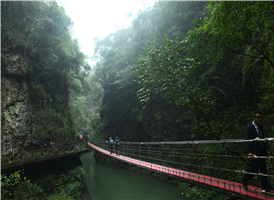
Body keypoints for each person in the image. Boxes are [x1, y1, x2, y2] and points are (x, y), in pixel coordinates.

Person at [242, 111, 270, 192]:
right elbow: (247, 140)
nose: (260, 119)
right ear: (253, 118)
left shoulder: (261, 128)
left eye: (261, 117)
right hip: (253, 152)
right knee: (254, 170)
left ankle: (265, 187)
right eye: (258, 117)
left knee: (263, 170)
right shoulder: (249, 128)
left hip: (261, 151)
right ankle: (245, 178)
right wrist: (249, 152)